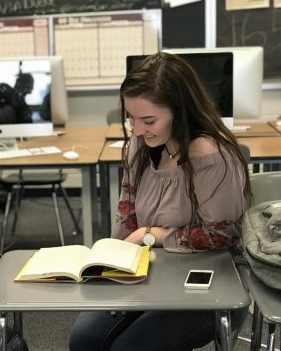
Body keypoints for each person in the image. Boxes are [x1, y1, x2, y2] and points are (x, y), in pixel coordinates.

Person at [69, 52, 251, 351]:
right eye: (131, 117)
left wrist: (152, 234)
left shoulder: (210, 155)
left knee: (130, 348)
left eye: (149, 120)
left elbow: (222, 234)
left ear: (180, 111)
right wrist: (109, 265)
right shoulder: (139, 147)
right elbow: (127, 216)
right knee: (84, 340)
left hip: (209, 281)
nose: (138, 130)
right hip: (149, 271)